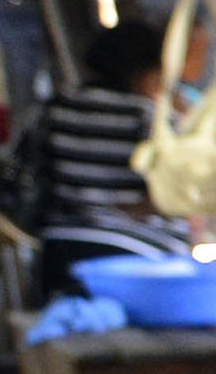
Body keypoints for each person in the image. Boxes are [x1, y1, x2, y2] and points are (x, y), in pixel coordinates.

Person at [16, 16, 178, 298]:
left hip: (60, 251)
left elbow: (26, 174)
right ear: (145, 70)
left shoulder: (55, 108)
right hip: (138, 258)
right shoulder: (149, 117)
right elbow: (175, 196)